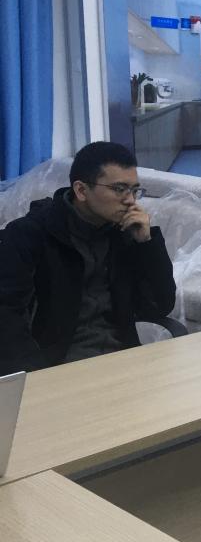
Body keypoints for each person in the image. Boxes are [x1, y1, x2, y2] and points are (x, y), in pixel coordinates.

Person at [0, 142, 176, 375]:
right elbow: (7, 317)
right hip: (56, 367)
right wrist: (36, 379)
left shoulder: (124, 233)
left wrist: (146, 244)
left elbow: (160, 307)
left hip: (124, 360)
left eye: (134, 190)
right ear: (81, 191)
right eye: (119, 189)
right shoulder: (30, 234)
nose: (130, 200)